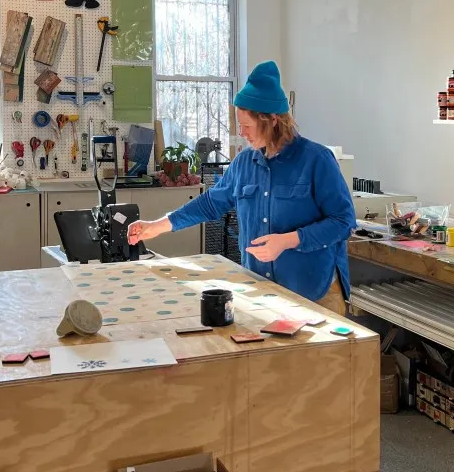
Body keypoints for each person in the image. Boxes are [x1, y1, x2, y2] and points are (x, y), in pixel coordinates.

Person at [128, 61, 356, 314]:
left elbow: (343, 221)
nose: (241, 133)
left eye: (246, 126)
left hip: (315, 295)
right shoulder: (245, 163)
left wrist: (289, 241)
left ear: (271, 120)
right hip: (261, 292)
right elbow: (210, 203)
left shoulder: (317, 160)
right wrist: (157, 226)